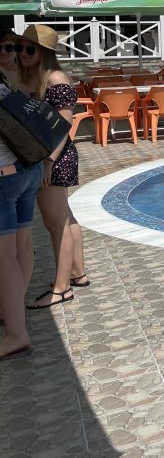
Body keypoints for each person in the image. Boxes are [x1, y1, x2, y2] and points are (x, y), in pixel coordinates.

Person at [18, 25, 86, 310]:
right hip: (49, 157)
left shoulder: (56, 79)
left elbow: (64, 125)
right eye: (20, 48)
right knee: (65, 218)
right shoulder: (35, 78)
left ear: (44, 53)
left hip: (55, 158)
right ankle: (77, 273)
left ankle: (62, 289)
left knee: (54, 224)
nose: (22, 54)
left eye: (29, 49)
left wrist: (48, 162)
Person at [0, 62, 44, 361]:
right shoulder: (6, 85)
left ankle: (16, 333)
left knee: (3, 257)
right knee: (22, 244)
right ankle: (13, 308)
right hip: (28, 168)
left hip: (4, 176)